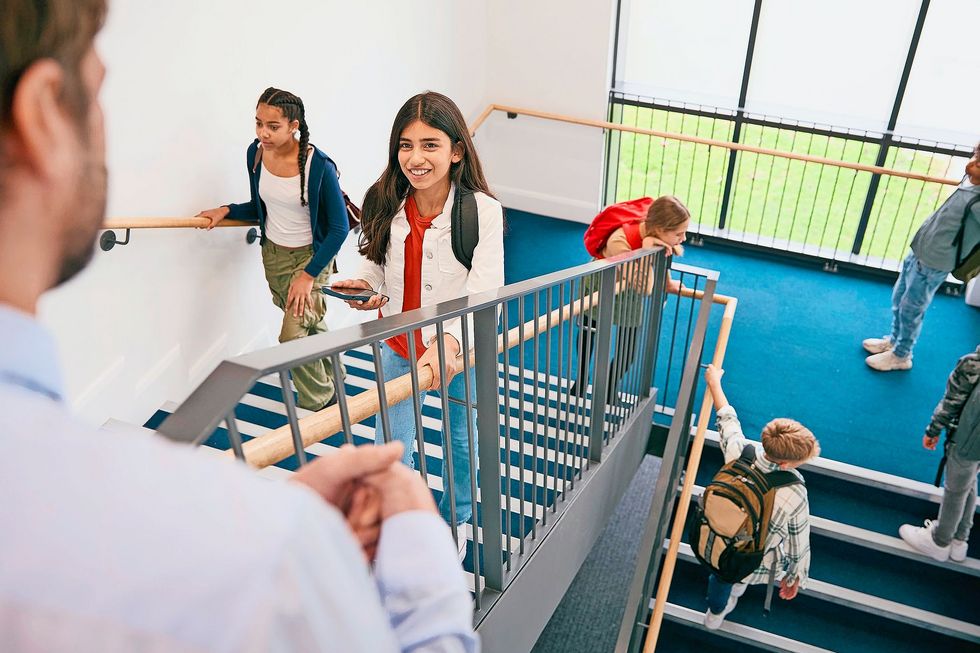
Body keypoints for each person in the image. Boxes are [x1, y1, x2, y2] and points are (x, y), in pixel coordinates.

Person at [0, 2, 477, 650]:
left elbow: (341, 225)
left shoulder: (326, 168)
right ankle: (326, 417)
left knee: (302, 346)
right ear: (45, 115)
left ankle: (322, 412)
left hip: (315, 275)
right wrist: (416, 541)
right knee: (339, 381)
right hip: (301, 278)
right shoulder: (266, 555)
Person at [331, 92, 505, 552]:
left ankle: (456, 520)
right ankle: (394, 525)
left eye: (430, 144)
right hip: (397, 347)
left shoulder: (481, 212)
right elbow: (378, 263)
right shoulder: (383, 197)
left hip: (455, 353)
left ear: (456, 150)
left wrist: (447, 342)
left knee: (461, 446)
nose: (416, 157)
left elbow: (486, 293)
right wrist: (365, 287)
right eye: (406, 145)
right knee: (391, 446)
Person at [197, 87, 349, 411]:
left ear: (294, 125)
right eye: (258, 123)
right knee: (307, 321)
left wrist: (308, 275)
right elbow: (260, 205)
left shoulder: (317, 165)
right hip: (275, 256)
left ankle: (321, 403)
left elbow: (339, 229)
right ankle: (337, 372)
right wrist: (227, 210)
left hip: (311, 258)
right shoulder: (255, 153)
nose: (263, 133)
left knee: (291, 338)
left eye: (272, 126)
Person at [701, 364, 820, 630]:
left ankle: (715, 611)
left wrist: (714, 381)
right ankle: (731, 597)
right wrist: (795, 577)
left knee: (720, 578)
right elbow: (798, 542)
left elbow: (726, 419)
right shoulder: (794, 493)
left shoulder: (740, 452)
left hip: (719, 540)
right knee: (737, 578)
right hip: (752, 558)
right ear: (788, 464)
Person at [863, 143, 980, 371]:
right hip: (920, 249)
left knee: (912, 308)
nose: (973, 160)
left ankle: (901, 355)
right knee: (899, 298)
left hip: (935, 260)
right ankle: (894, 340)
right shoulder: (972, 181)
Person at [573, 195, 690, 399]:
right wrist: (646, 248)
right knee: (588, 334)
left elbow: (662, 258)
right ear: (660, 230)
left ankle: (609, 386)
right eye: (680, 233)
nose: (684, 238)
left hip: (629, 290)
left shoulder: (655, 232)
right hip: (601, 287)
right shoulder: (619, 241)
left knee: (628, 351)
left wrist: (668, 282)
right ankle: (582, 378)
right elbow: (645, 288)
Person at [899, 345, 980, 562]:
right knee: (969, 481)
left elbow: (952, 402)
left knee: (955, 488)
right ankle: (959, 540)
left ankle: (940, 541)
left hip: (967, 439)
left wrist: (933, 430)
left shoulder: (973, 363)